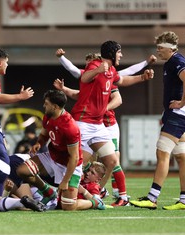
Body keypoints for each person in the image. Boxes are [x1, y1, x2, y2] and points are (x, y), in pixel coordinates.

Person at [55, 48, 157, 198]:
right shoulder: (91, 79)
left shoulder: (108, 76)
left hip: (107, 125)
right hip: (88, 123)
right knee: (82, 163)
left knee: (113, 161)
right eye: (88, 66)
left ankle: (116, 193)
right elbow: (78, 89)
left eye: (91, 65)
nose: (89, 68)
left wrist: (144, 68)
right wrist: (63, 85)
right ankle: (85, 191)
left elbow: (121, 89)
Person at [16, 89, 105, 211]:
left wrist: (65, 181)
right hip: (53, 157)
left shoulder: (70, 127)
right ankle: (48, 192)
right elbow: (45, 132)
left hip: (69, 164)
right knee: (22, 171)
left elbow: (74, 158)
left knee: (68, 207)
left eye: (46, 103)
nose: (44, 105)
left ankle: (94, 202)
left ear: (55, 106)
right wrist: (39, 143)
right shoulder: (48, 116)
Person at [130, 31, 185, 210]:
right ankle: (184, 200)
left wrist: (182, 102)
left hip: (179, 114)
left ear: (170, 49)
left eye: (160, 48)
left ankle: (152, 198)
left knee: (162, 153)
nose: (158, 51)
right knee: (182, 157)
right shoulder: (173, 61)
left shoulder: (176, 61)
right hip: (179, 114)